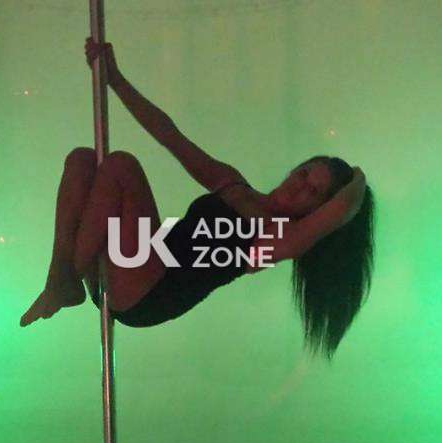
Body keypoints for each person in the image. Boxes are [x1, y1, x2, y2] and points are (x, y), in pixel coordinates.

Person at [20, 39, 375, 359]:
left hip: (151, 291)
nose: (300, 186)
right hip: (132, 264)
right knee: (82, 160)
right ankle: (64, 276)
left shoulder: (277, 239)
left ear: (317, 209)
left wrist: (358, 177)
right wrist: (115, 80)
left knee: (120, 167)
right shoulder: (233, 185)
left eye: (313, 192)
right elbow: (169, 135)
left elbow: (344, 208)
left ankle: (63, 279)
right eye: (304, 174)